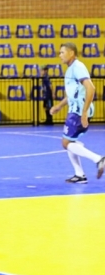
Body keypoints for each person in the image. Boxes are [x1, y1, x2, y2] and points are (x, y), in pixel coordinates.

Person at [50, 43, 104, 183]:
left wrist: (84, 112)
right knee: (69, 141)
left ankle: (98, 159)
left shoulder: (78, 67)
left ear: (71, 53)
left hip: (79, 111)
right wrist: (59, 106)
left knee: (66, 142)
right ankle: (80, 175)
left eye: (62, 52)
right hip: (75, 109)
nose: (59, 55)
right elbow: (73, 94)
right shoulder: (70, 69)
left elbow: (91, 88)